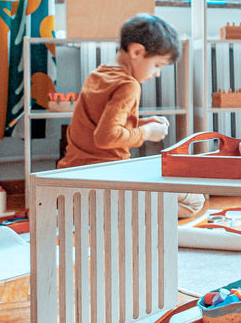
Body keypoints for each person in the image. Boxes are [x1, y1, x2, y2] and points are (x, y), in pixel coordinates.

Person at [58, 13, 205, 218]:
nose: (157, 74)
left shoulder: (98, 74)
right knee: (195, 200)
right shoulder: (128, 85)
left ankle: (92, 208)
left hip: (71, 178)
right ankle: (108, 211)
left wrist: (144, 123)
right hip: (103, 182)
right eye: (157, 65)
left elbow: (97, 124)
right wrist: (146, 132)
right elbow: (106, 137)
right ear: (137, 51)